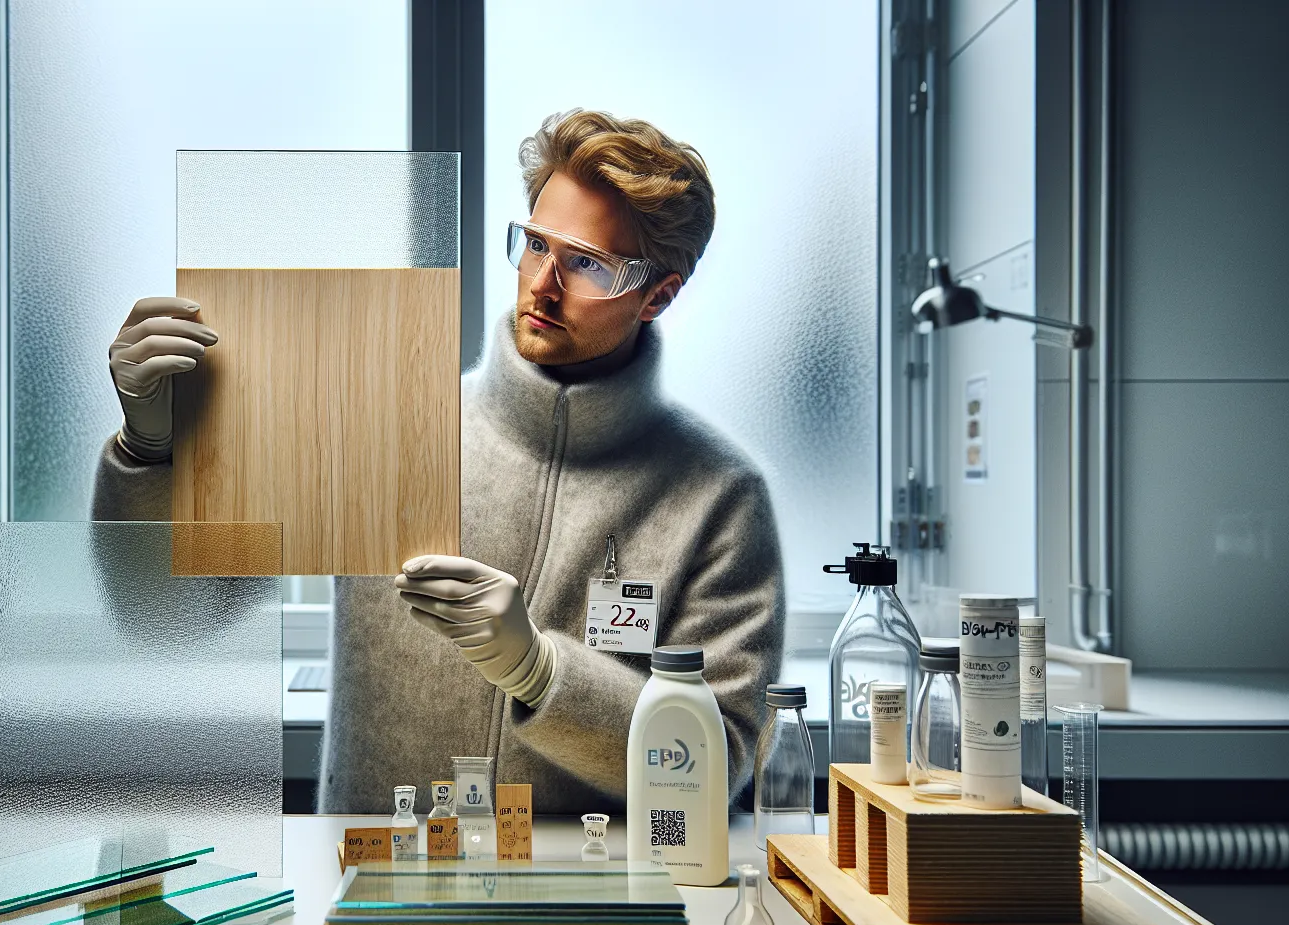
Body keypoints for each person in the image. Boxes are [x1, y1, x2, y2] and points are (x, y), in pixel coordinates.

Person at [94, 110, 784, 814]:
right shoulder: (384, 426)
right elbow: (164, 615)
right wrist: (149, 450)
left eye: (586, 263)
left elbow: (719, 764)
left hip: (590, 883)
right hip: (374, 876)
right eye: (535, 245)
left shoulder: (719, 497)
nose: (542, 285)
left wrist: (542, 673)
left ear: (658, 295)